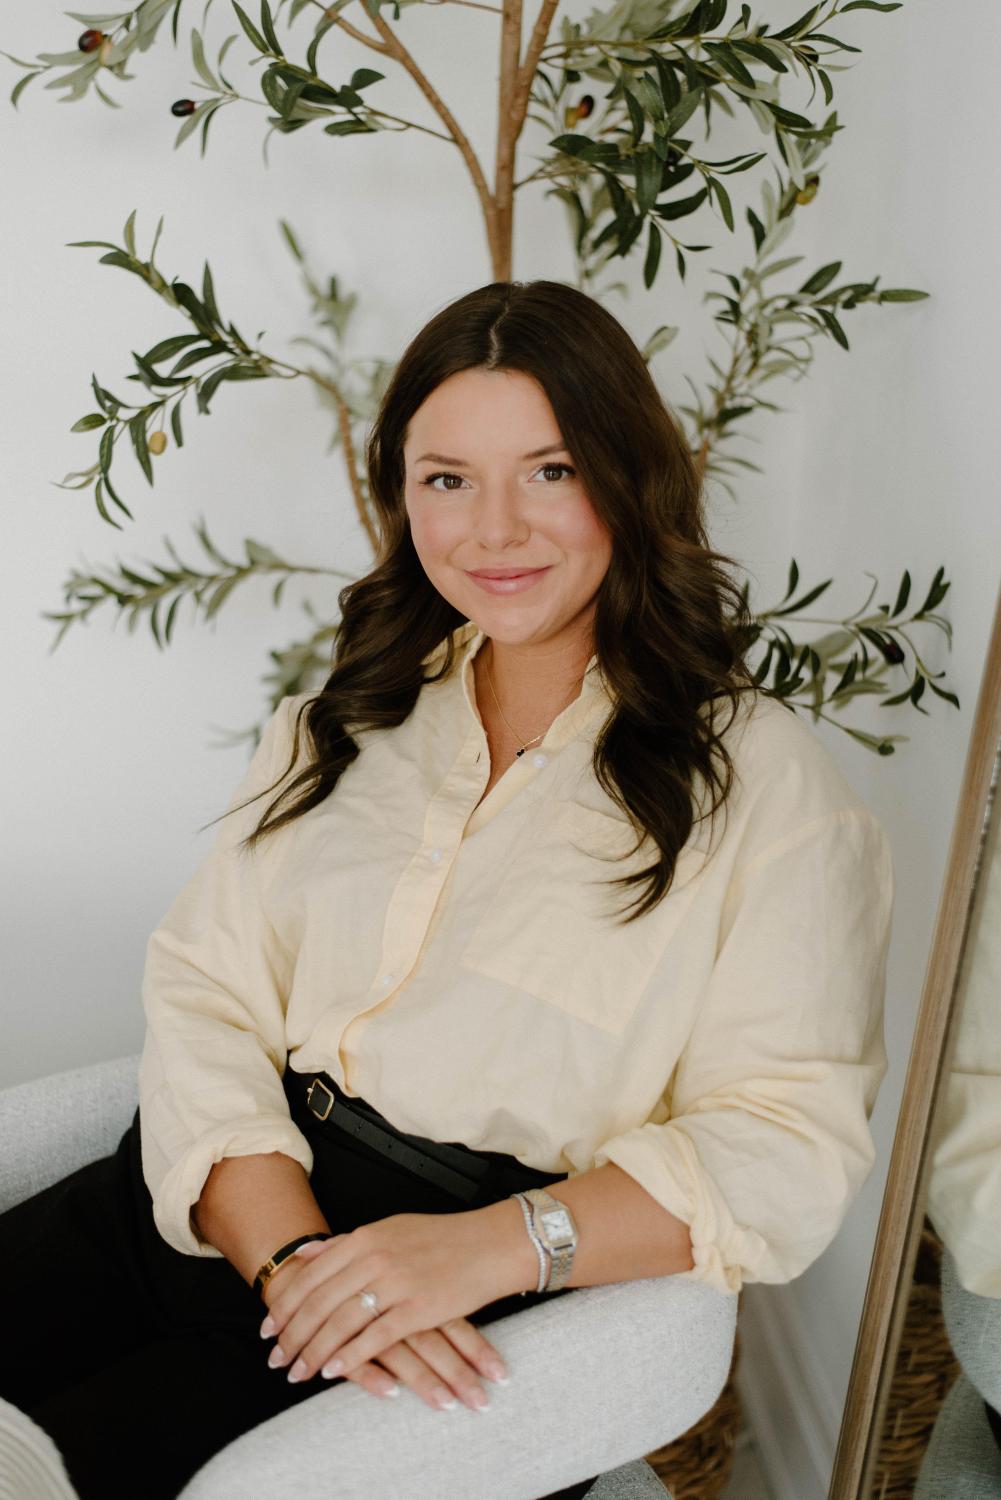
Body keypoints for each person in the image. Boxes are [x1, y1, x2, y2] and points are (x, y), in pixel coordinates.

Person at [0, 279, 895, 1499]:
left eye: (549, 471)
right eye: (446, 479)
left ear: (630, 477)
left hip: (455, 1303)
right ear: (400, 494)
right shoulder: (346, 719)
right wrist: (288, 1254)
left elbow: (784, 1144)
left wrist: (492, 1250)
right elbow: (207, 992)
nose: (494, 530)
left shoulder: (767, 794)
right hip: (222, 1206)